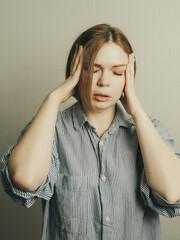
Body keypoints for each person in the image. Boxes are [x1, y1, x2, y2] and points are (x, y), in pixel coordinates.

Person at [1, 23, 180, 240]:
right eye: (93, 69)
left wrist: (136, 110)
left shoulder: (150, 132)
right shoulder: (50, 130)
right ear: (76, 71)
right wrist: (54, 98)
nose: (104, 81)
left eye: (117, 72)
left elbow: (172, 193)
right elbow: (25, 179)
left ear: (128, 76)